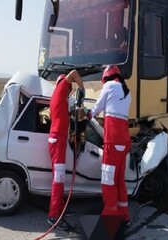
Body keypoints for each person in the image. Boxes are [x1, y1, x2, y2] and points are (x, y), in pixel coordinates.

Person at [85, 65, 132, 227]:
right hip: (124, 142)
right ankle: (124, 216)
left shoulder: (109, 86)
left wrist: (86, 113)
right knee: (119, 180)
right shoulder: (127, 91)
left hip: (112, 141)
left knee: (107, 179)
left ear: (106, 78)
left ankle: (109, 218)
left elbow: (96, 109)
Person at [47, 69, 84, 231]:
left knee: (59, 177)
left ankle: (60, 207)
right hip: (57, 140)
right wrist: (81, 89)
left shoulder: (59, 98)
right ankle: (54, 216)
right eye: (70, 89)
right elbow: (74, 73)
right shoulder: (61, 88)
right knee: (59, 178)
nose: (70, 92)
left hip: (58, 139)